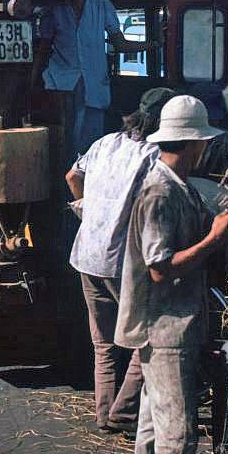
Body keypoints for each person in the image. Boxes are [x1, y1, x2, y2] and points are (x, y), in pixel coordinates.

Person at [114, 95, 228, 454]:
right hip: (166, 325)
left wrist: (224, 219)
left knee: (153, 420)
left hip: (171, 320)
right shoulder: (160, 193)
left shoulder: (178, 186)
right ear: (195, 144)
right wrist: (217, 237)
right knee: (179, 433)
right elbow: (160, 267)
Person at [65, 88, 177, 432]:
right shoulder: (154, 155)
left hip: (87, 254)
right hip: (121, 261)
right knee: (147, 338)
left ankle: (105, 414)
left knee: (103, 345)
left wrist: (88, 209)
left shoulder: (105, 143)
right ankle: (125, 411)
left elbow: (72, 176)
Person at [33, 0, 150, 157]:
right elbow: (43, 49)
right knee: (63, 140)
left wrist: (153, 45)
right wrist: (33, 80)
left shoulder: (102, 7)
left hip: (94, 85)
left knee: (91, 142)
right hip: (61, 84)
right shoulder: (53, 12)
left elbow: (120, 44)